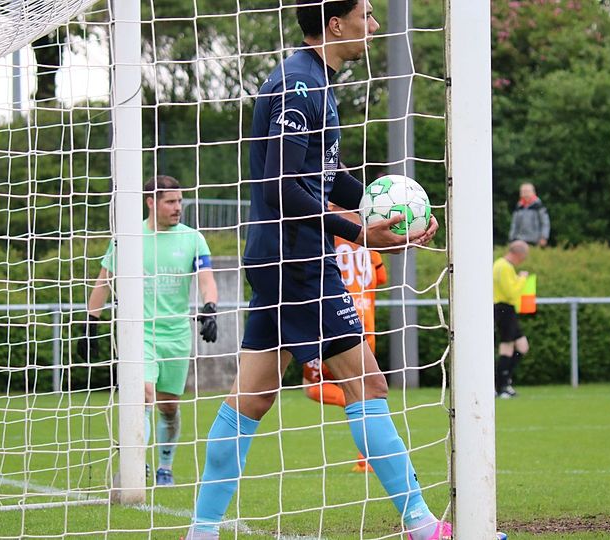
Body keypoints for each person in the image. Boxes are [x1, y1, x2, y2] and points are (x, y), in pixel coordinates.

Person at [184, 1, 473, 539]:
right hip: (298, 259)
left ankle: (201, 532)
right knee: (369, 385)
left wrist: (390, 209)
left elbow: (326, 175)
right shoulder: (299, 85)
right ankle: (423, 527)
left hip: (281, 255)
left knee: (251, 398)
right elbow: (283, 186)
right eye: (367, 15)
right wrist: (361, 234)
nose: (375, 26)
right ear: (335, 24)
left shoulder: (313, 79)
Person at [78, 175, 219, 487]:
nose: (178, 207)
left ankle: (164, 467)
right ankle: (136, 462)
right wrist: (90, 322)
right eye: (171, 201)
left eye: (180, 201)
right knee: (143, 394)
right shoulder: (128, 238)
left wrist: (210, 307)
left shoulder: (193, 239)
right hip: (139, 334)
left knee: (168, 407)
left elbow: (206, 279)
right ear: (151, 202)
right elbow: (104, 280)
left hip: (177, 335)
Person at [301, 208, 386, 473]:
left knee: (312, 387)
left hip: (332, 320)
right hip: (365, 325)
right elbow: (381, 278)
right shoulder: (369, 236)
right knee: (365, 389)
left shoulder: (326, 233)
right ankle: (367, 457)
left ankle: (351, 406)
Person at [493, 240, 530, 398]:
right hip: (504, 309)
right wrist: (522, 279)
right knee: (507, 347)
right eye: (523, 258)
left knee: (522, 346)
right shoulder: (504, 267)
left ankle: (504, 381)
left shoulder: (500, 265)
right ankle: (500, 386)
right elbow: (511, 293)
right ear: (518, 254)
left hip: (508, 310)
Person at [508, 182, 550, 247]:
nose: (525, 194)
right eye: (523, 192)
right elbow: (514, 224)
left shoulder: (539, 207)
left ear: (533, 192)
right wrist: (512, 238)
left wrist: (544, 237)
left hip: (536, 240)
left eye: (527, 191)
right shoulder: (519, 207)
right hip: (520, 240)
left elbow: (545, 223)